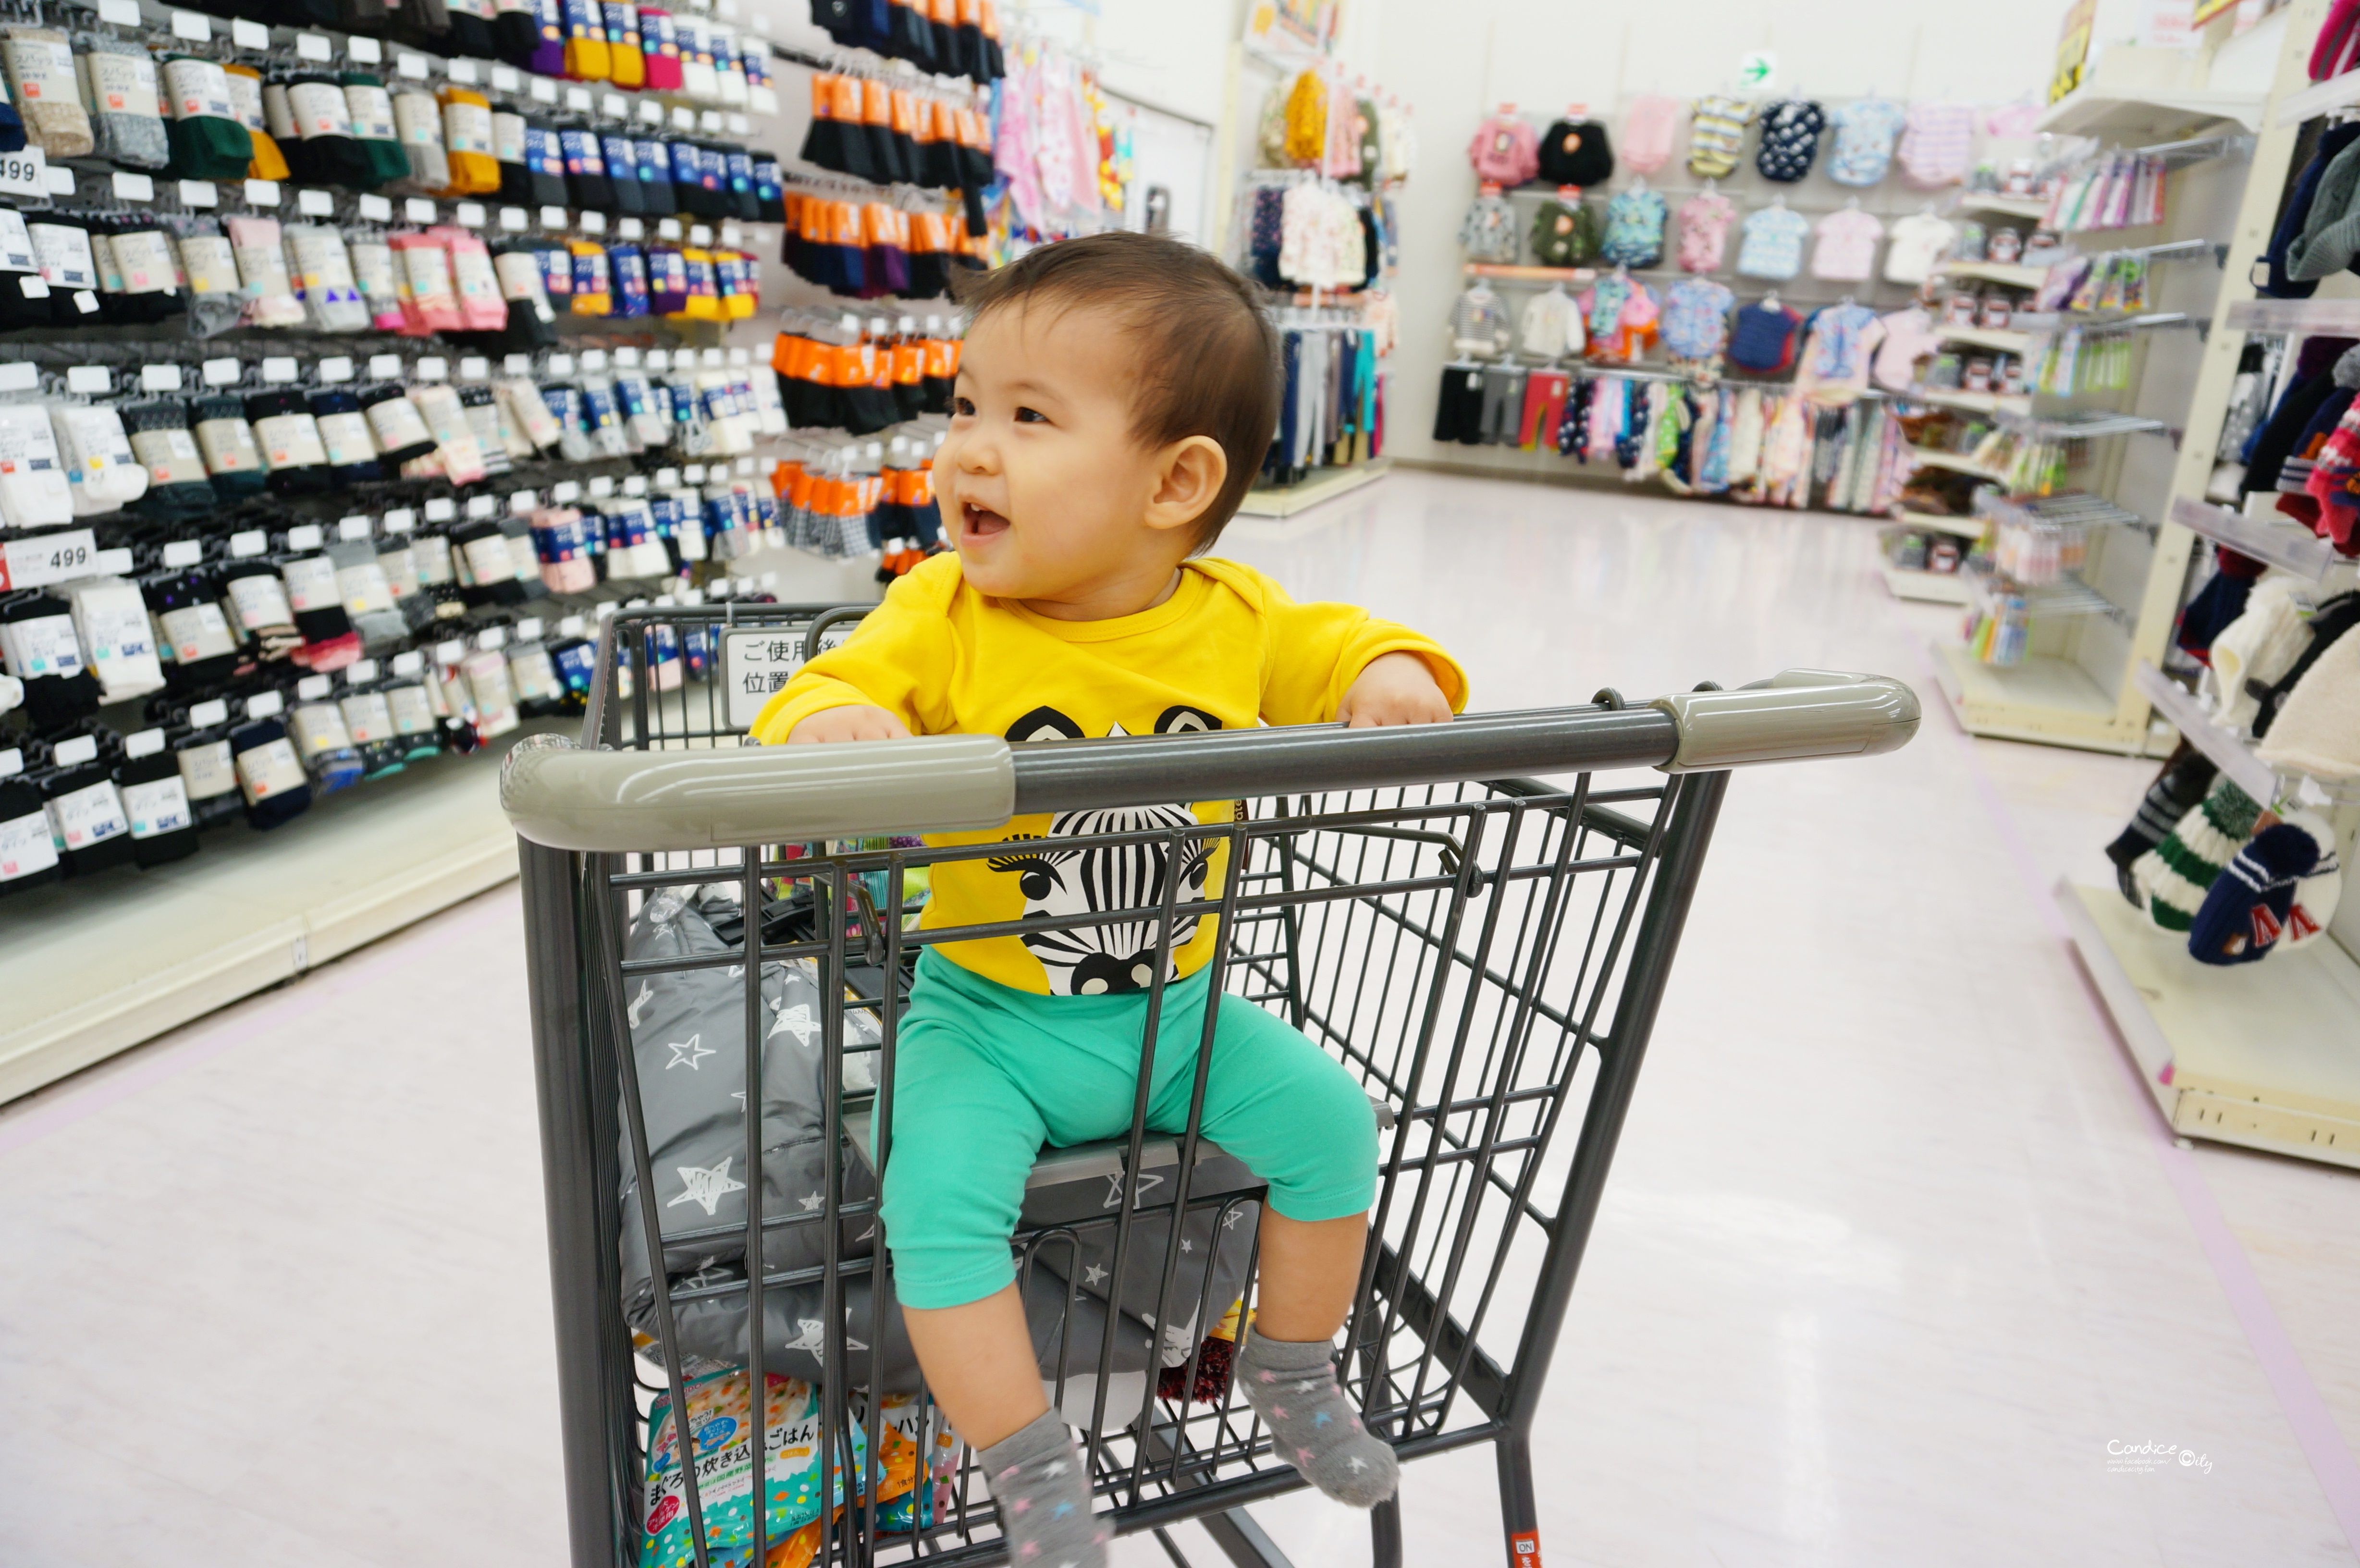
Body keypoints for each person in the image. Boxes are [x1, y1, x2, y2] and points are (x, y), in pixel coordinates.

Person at [752, 230, 1465, 1567]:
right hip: (984, 1026)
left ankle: (1295, 1369)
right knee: (937, 1210)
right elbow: (832, 681)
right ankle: (1029, 1463)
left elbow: (1344, 645)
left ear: (1176, 482)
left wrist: (1396, 674)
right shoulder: (942, 609)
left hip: (1181, 1021)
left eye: (1027, 417)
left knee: (1329, 1126)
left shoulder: (1236, 616)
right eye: (965, 406)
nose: (967, 446)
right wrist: (837, 720)